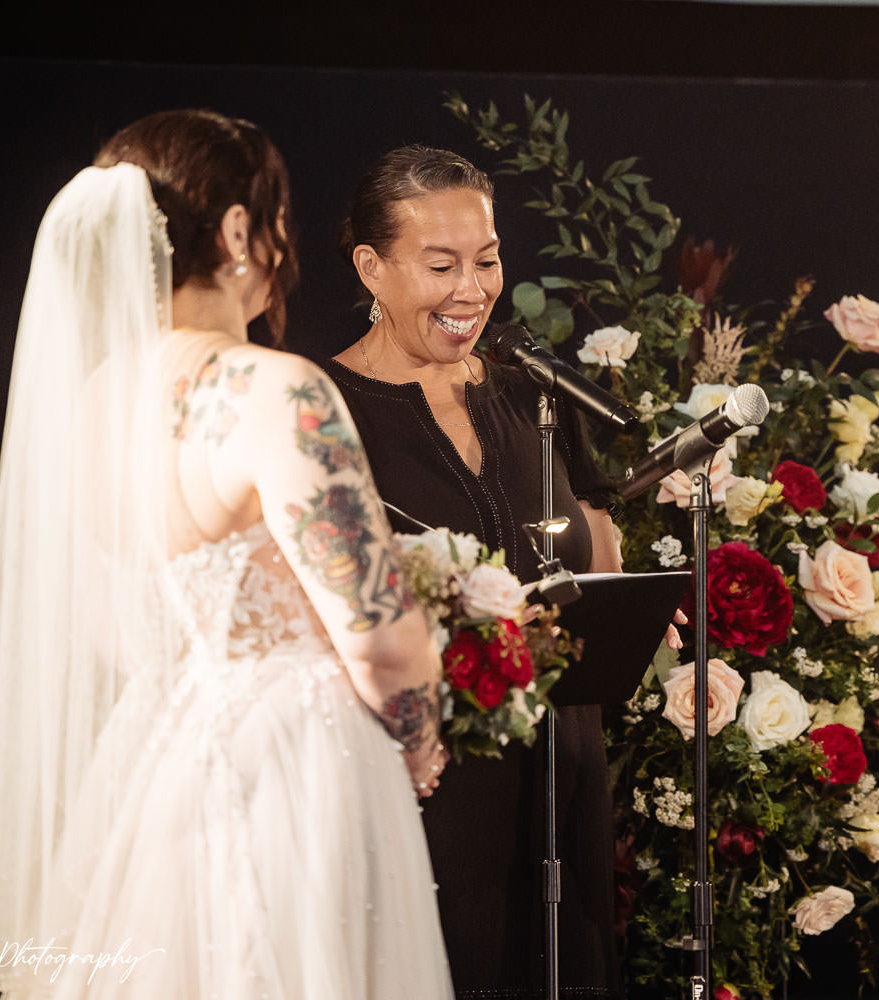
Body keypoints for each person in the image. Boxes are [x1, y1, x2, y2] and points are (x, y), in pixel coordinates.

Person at [0, 110, 454, 998]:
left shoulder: (90, 410)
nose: (286, 242)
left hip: (156, 774)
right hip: (301, 770)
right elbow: (378, 634)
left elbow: (105, 624)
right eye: (280, 217)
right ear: (234, 232)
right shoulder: (276, 389)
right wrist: (418, 740)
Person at [323, 145, 625, 999]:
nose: (473, 290)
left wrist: (622, 604)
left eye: (488, 260)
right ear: (371, 268)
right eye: (442, 265)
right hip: (426, 786)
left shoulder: (537, 389)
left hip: (565, 774)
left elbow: (595, 545)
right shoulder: (326, 412)